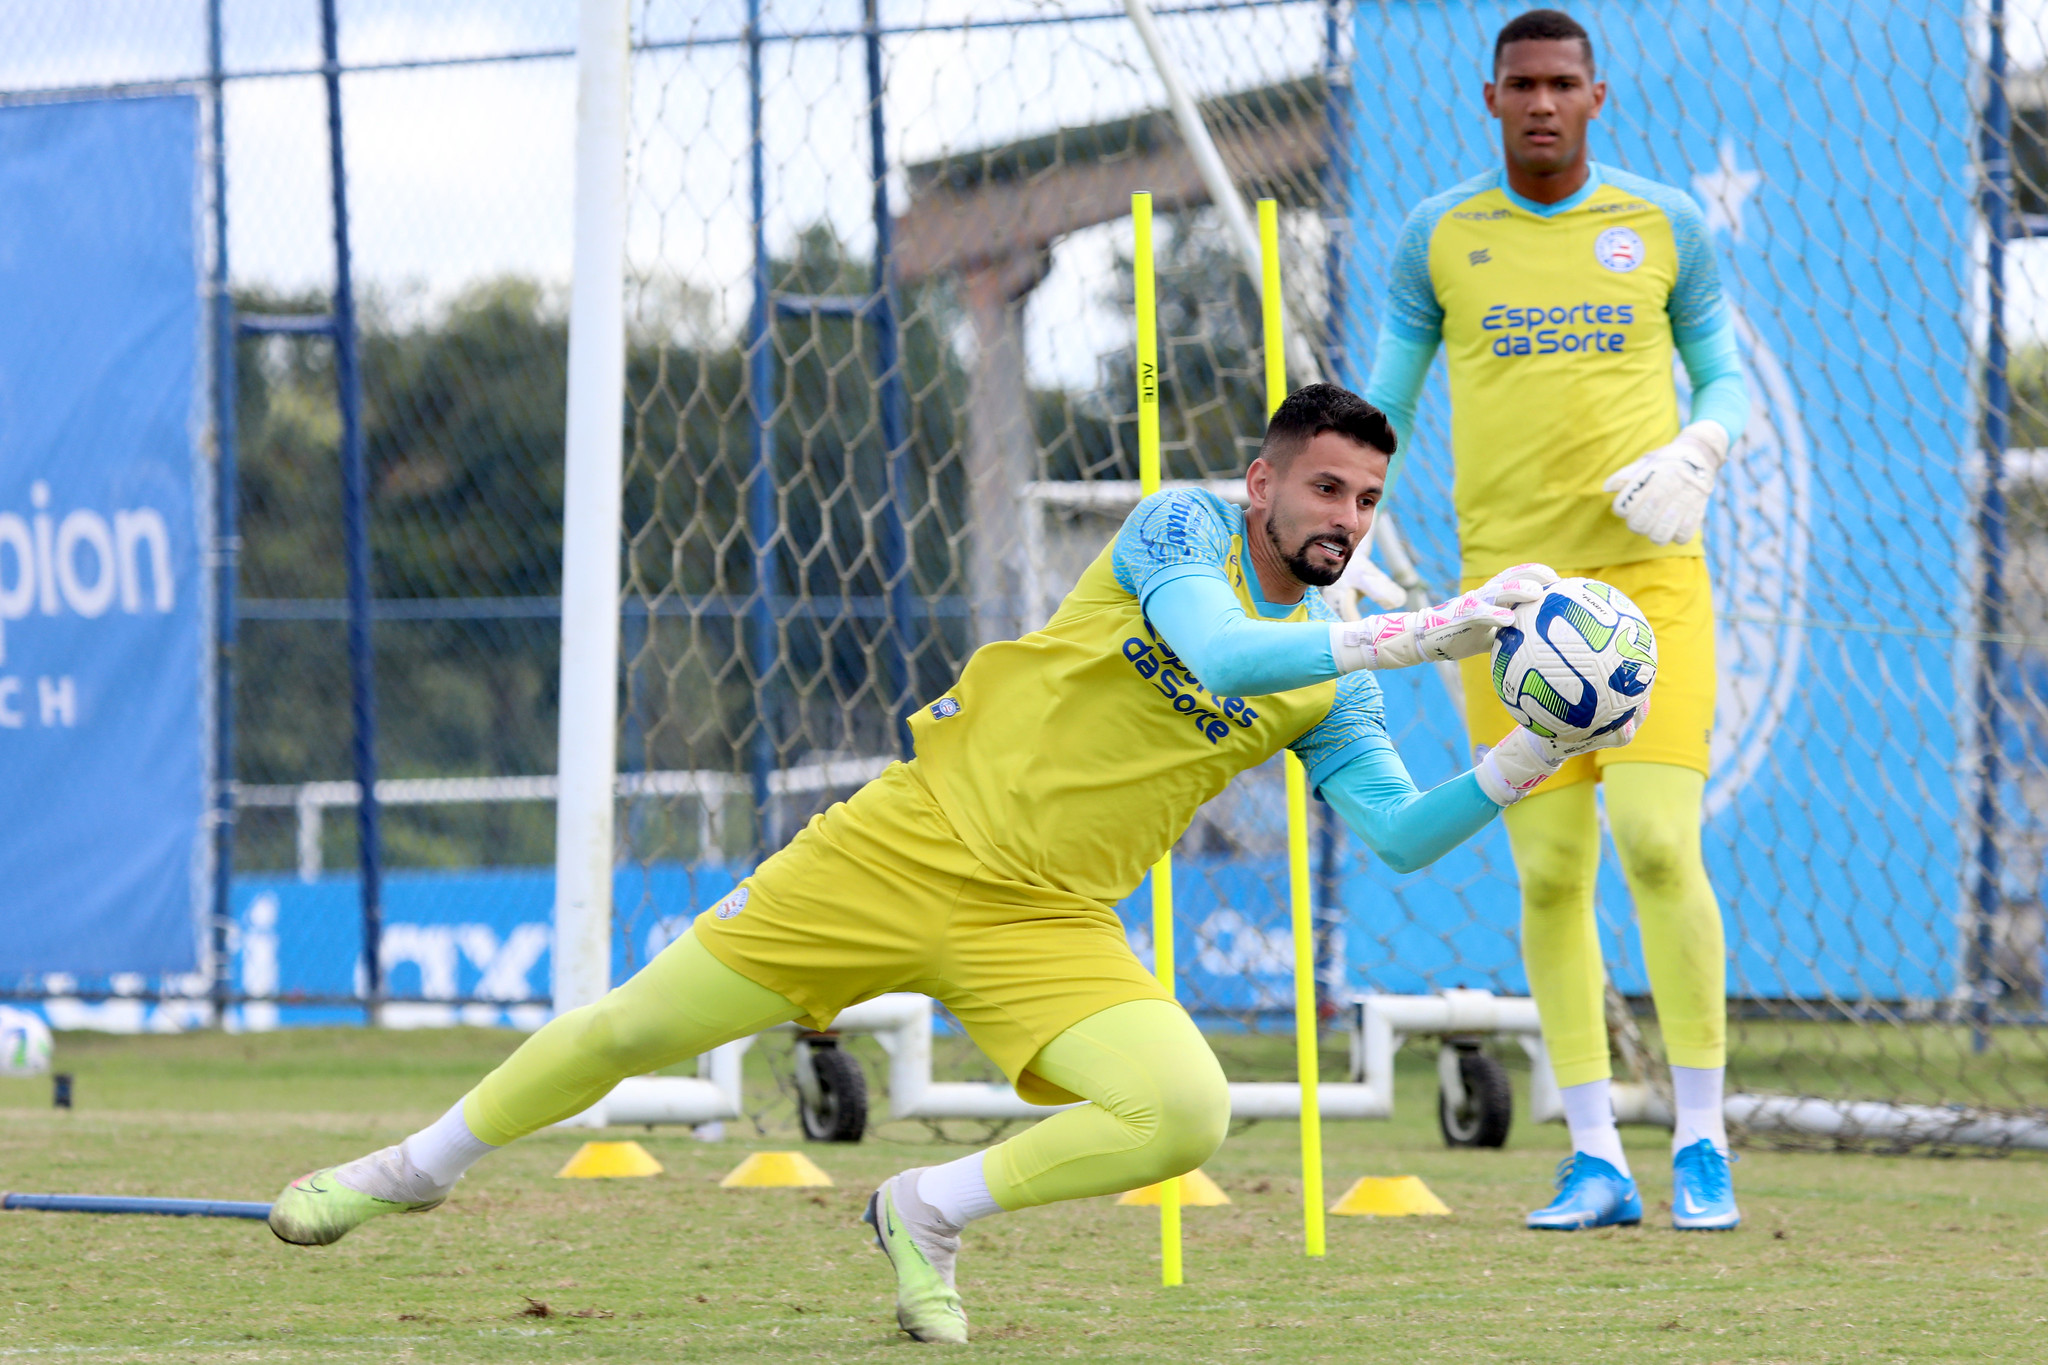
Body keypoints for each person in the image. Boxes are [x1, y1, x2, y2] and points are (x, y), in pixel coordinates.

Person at [266, 384, 1635, 1343]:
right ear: (1263, 481)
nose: (1344, 515)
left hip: (1044, 922)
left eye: (1367, 499)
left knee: (1183, 1111)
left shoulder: (1337, 680)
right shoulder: (1179, 529)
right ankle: (413, 1166)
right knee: (634, 1026)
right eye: (1324, 486)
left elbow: (1397, 835)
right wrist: (1427, 629)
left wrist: (1529, 750)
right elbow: (1221, 653)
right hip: (904, 843)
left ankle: (926, 1207)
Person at [1364, 8, 1751, 1232]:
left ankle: (1699, 1139)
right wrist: (1338, 517)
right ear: (1490, 100)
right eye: (1519, 85)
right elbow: (1383, 400)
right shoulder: (1437, 236)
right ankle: (1593, 1157)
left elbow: (1723, 369)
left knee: (1652, 844)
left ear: (1597, 97)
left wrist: (1702, 440)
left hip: (1647, 591)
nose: (1539, 102)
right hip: (1509, 609)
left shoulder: (1663, 225)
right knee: (1545, 867)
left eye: (1560, 84)